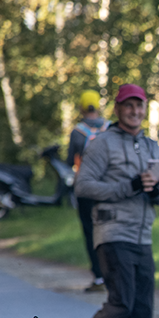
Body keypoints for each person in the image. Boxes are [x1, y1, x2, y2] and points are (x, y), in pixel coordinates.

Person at [54, 83, 159, 318]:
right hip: (112, 233)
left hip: (142, 237)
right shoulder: (101, 144)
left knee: (142, 311)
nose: (135, 111)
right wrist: (129, 186)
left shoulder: (151, 146)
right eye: (128, 105)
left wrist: (154, 191)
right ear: (118, 109)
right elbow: (83, 186)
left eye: (140, 106)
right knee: (121, 305)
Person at [67, 90, 111, 292]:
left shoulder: (77, 132)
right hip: (109, 188)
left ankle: (99, 277)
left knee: (90, 232)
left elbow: (70, 162)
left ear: (81, 108)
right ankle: (113, 274)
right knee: (109, 230)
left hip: (85, 190)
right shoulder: (110, 128)